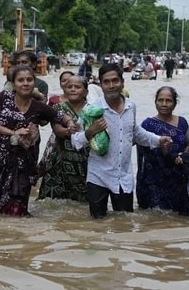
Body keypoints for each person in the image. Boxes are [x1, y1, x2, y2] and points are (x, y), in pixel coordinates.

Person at [71, 64, 173, 219]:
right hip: (98, 176)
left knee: (124, 223)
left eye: (115, 81)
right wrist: (91, 130)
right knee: (96, 225)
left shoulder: (131, 106)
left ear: (122, 82)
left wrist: (159, 140)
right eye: (106, 82)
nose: (111, 86)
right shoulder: (91, 110)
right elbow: (75, 141)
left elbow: (136, 133)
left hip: (123, 177)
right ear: (101, 84)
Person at [0, 65, 77, 216]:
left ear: (34, 83)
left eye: (29, 80)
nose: (25, 83)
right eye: (20, 80)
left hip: (23, 167)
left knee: (18, 212)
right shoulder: (3, 98)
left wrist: (70, 123)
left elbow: (60, 116)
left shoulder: (38, 107)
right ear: (13, 83)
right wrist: (13, 132)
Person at [136, 86, 189, 212]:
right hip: (153, 181)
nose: (164, 104)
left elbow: (188, 144)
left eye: (168, 100)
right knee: (156, 218)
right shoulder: (147, 124)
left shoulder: (182, 123)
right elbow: (135, 140)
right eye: (160, 100)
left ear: (175, 103)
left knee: (175, 217)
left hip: (177, 179)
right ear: (155, 102)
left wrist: (182, 157)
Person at [38, 75, 90, 202]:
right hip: (59, 162)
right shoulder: (58, 108)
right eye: (69, 87)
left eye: (77, 87)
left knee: (82, 205)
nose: (72, 89)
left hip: (84, 163)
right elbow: (57, 129)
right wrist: (67, 131)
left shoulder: (92, 110)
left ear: (85, 91)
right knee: (51, 204)